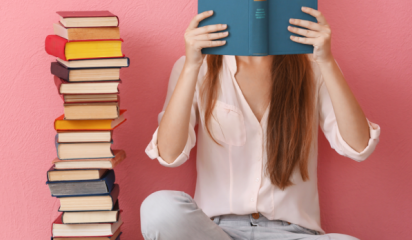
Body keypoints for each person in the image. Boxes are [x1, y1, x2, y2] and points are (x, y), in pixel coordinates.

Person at [141, 7, 380, 240]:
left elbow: (358, 147)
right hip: (214, 232)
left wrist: (326, 60)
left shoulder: (314, 65)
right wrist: (192, 65)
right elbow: (169, 155)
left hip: (293, 232)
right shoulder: (195, 67)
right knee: (158, 208)